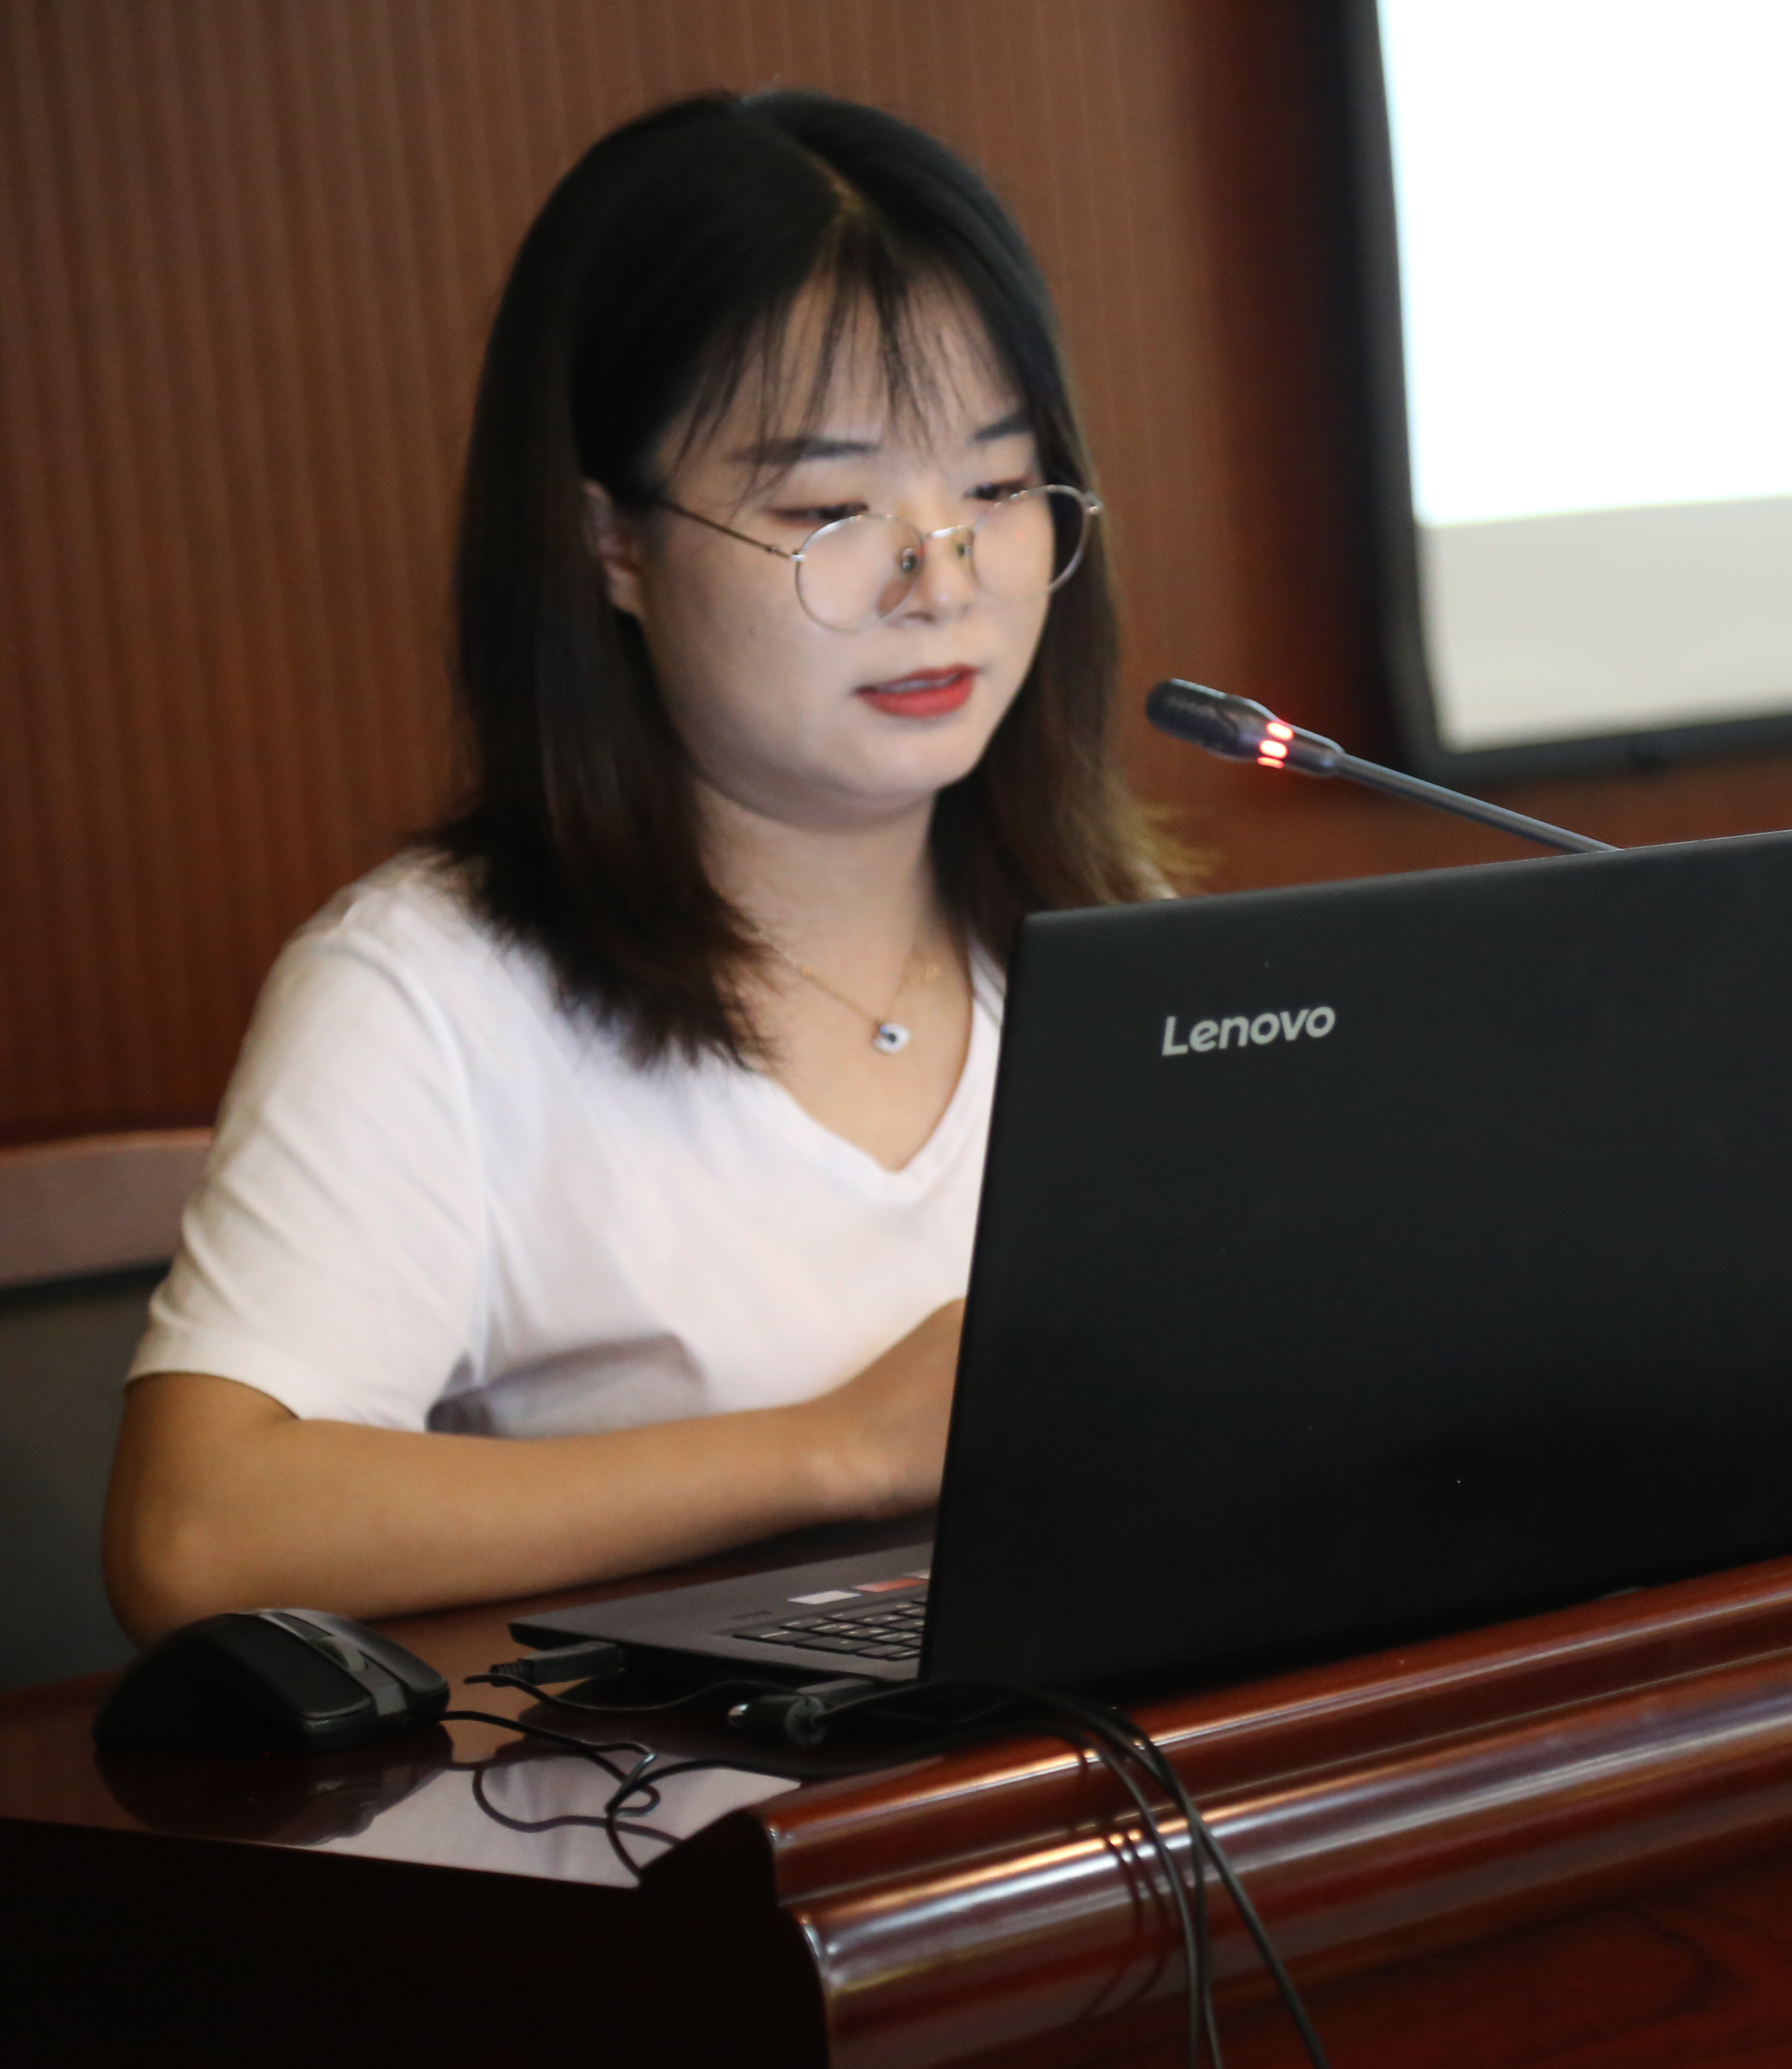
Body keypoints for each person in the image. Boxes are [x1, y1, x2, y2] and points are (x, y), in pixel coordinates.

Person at [103, 91, 1174, 1644]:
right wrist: (838, 1448)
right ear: (612, 543)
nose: (939, 579)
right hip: (653, 1790)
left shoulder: (1117, 948)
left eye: (999, 490)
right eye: (829, 507)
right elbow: (198, 1537)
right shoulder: (428, 992)